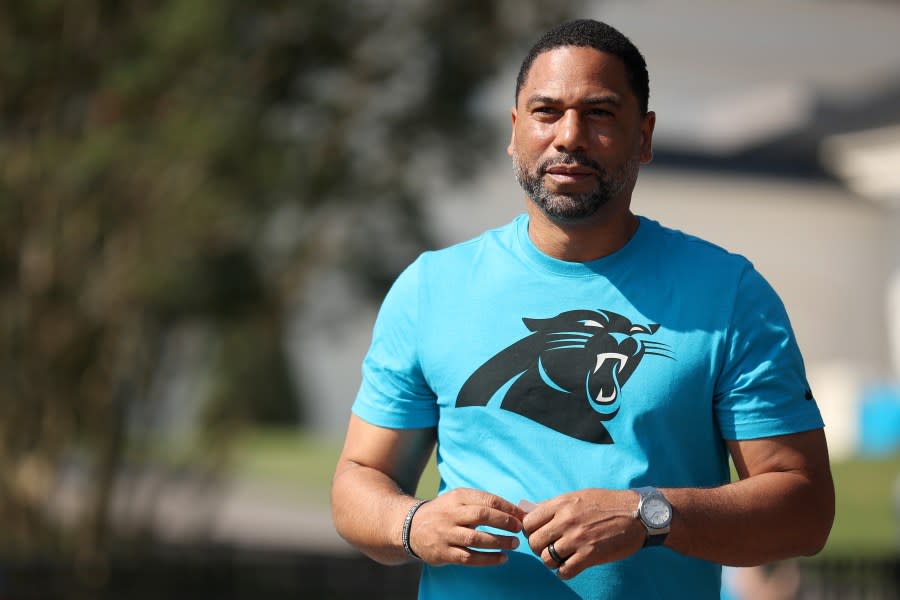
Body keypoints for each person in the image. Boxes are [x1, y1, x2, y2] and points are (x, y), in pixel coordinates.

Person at [331, 19, 834, 599]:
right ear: (515, 131)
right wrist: (414, 524)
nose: (569, 135)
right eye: (546, 112)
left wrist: (648, 517)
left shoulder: (728, 295)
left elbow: (805, 509)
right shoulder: (430, 288)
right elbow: (358, 482)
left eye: (599, 113)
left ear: (643, 136)